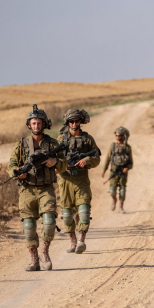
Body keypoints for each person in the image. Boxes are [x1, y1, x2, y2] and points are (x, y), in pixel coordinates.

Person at [8, 104, 67, 271]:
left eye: (39, 123)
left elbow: (64, 163)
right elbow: (12, 164)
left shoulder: (52, 143)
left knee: (49, 222)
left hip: (46, 188)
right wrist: (18, 173)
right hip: (27, 189)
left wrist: (56, 162)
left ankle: (45, 252)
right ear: (29, 125)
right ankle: (34, 259)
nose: (36, 126)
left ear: (44, 124)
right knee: (28, 226)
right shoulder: (21, 145)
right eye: (33, 123)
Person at [57, 109, 101, 254]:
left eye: (76, 120)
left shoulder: (88, 139)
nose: (74, 123)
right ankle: (72, 241)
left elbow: (97, 158)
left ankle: (81, 240)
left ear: (81, 121)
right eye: (71, 121)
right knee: (68, 214)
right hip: (65, 181)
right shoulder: (60, 140)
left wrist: (86, 160)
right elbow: (53, 159)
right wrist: (56, 167)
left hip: (82, 179)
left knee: (84, 211)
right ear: (67, 122)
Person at [101, 127, 133, 213]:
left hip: (123, 172)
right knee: (112, 191)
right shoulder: (113, 146)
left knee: (122, 190)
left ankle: (120, 207)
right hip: (114, 171)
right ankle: (114, 200)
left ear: (124, 136)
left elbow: (130, 162)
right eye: (116, 135)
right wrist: (104, 170)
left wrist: (127, 168)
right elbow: (107, 158)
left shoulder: (127, 148)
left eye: (120, 135)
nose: (118, 137)